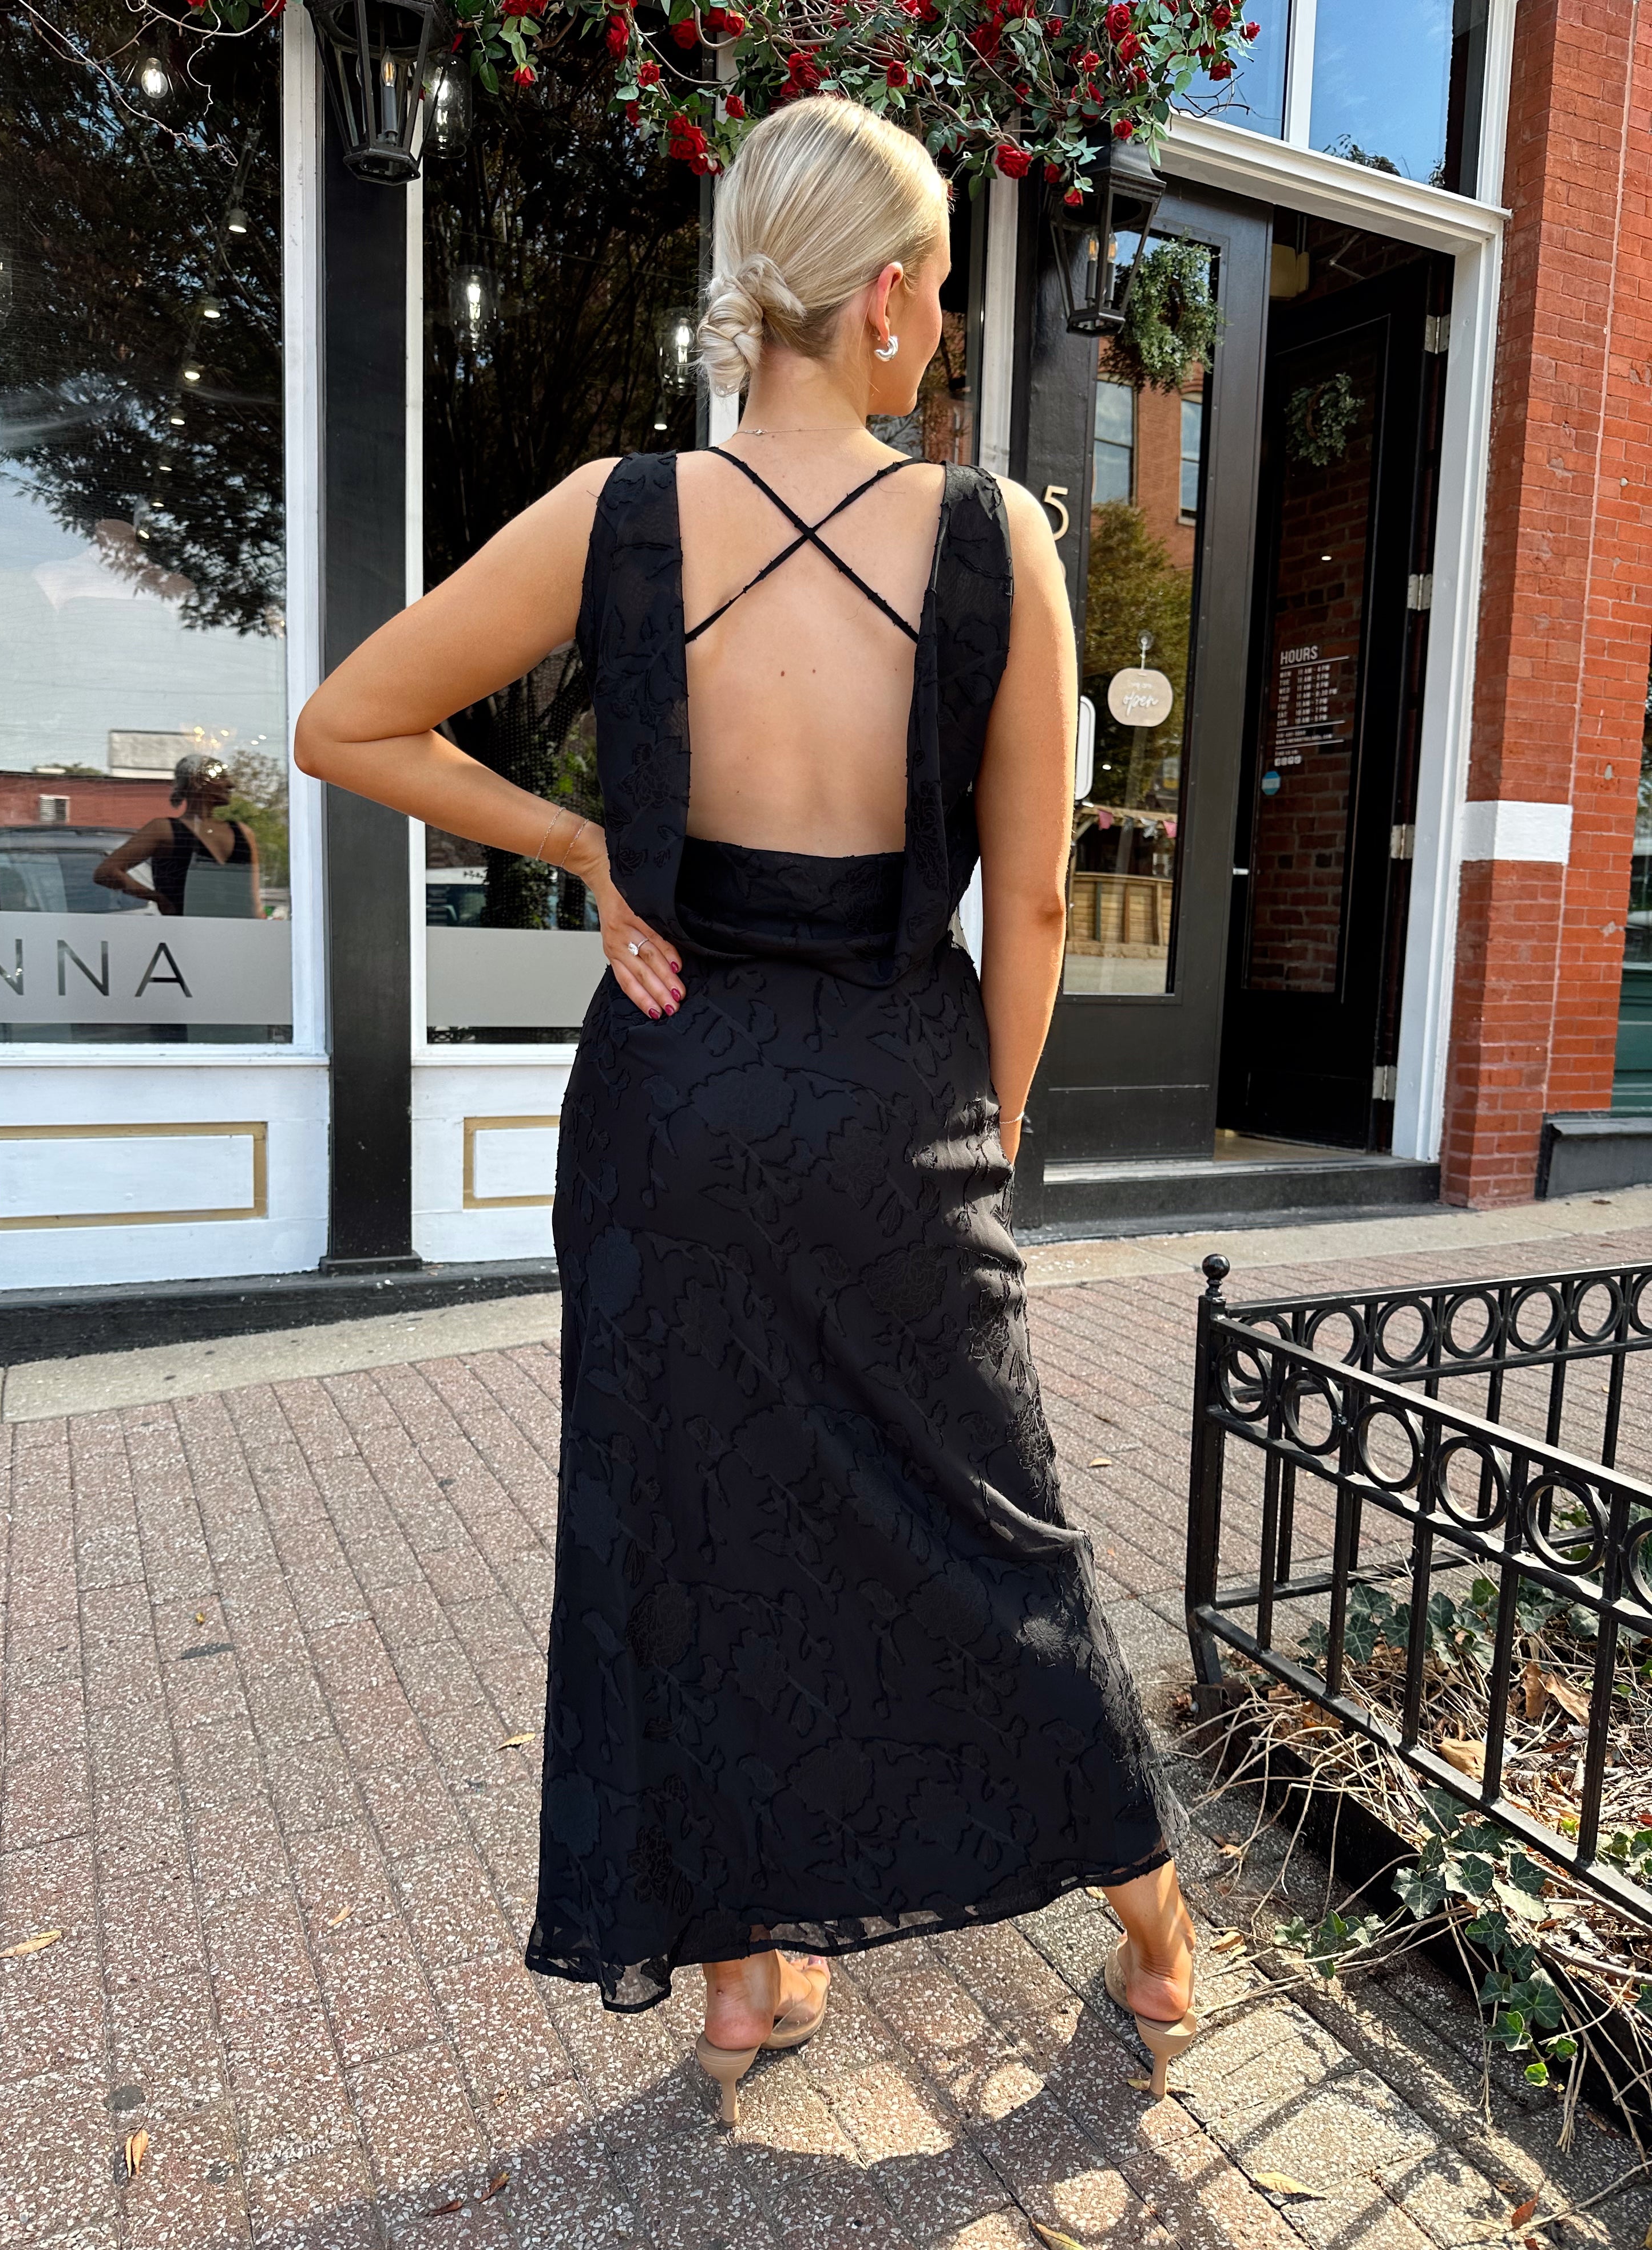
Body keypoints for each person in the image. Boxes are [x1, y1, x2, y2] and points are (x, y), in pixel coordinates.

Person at [294, 94, 1198, 2127]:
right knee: (988, 1529)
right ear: (878, 302)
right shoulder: (994, 541)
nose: (942, 326)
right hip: (894, 1102)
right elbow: (1035, 897)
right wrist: (982, 1128)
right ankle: (1151, 1929)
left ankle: (741, 1980)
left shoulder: (615, 514)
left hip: (666, 1100)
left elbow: (343, 722)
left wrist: (590, 855)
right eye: (939, 290)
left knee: (690, 1533)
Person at [93, 750, 262, 917]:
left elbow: (253, 899)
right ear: (197, 781)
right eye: (221, 777)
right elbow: (107, 872)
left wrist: (160, 899)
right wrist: (158, 899)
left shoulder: (242, 832)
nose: (231, 785)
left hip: (231, 929)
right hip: (189, 930)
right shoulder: (164, 830)